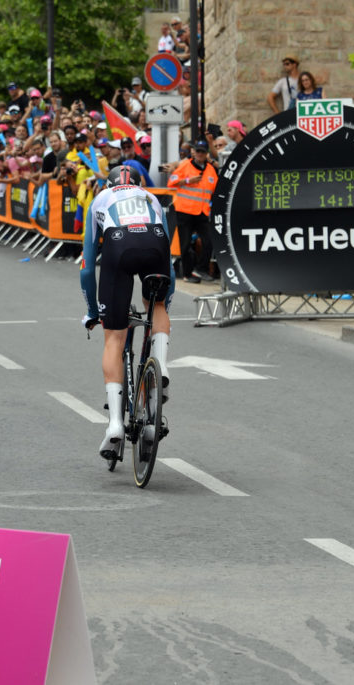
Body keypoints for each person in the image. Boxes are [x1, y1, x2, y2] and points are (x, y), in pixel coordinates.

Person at [79, 165, 174, 459]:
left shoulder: (100, 198)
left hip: (119, 247)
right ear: (138, 182)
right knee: (155, 306)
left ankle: (116, 427)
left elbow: (86, 268)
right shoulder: (150, 196)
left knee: (114, 339)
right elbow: (169, 259)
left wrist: (93, 312)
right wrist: (164, 302)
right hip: (154, 241)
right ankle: (161, 366)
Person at [167, 140, 218, 282]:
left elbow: (215, 189)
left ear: (207, 153)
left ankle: (200, 270)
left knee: (209, 241)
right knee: (185, 244)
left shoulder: (210, 170)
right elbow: (171, 182)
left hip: (202, 212)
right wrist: (188, 180)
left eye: (203, 151)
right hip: (185, 210)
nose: (200, 154)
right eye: (198, 151)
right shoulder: (185, 165)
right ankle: (187, 274)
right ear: (194, 152)